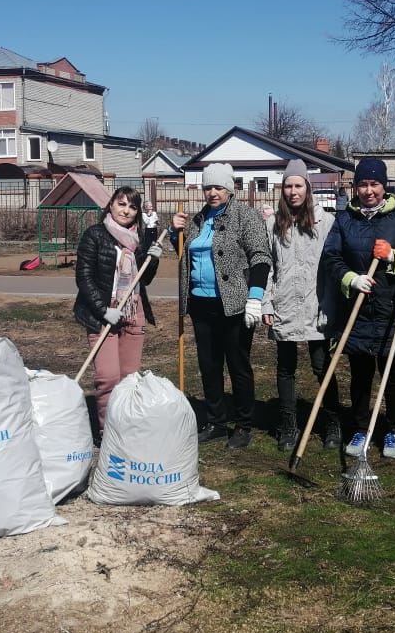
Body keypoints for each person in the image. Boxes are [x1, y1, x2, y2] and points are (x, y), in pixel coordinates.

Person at [321, 157, 395, 458]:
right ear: (355, 187)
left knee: (392, 376)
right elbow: (331, 257)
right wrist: (351, 279)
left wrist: (394, 256)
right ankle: (361, 430)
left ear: (384, 186)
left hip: (393, 311)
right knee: (360, 377)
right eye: (362, 184)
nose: (368, 190)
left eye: (374, 184)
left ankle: (392, 431)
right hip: (358, 313)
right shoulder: (345, 219)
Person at [171, 163, 271, 449]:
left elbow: (261, 257)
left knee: (238, 365)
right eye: (208, 187)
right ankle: (216, 421)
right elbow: (181, 250)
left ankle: (243, 424)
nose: (212, 193)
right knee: (209, 365)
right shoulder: (198, 219)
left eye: (218, 187)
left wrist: (255, 296)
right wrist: (172, 230)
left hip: (234, 305)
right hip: (200, 304)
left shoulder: (246, 217)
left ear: (230, 188)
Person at [262, 159, 342, 451]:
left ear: (307, 188)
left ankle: (333, 423)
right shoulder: (273, 223)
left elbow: (334, 265)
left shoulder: (326, 221)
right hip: (284, 306)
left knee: (322, 366)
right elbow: (267, 266)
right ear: (282, 189)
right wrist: (266, 304)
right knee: (286, 368)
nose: (293, 191)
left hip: (317, 306)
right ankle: (288, 425)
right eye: (288, 186)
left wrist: (332, 304)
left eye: (298, 185)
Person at [74, 186, 162, 438]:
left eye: (132, 207)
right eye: (122, 204)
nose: (127, 210)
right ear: (111, 205)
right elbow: (84, 277)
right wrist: (104, 310)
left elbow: (144, 280)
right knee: (108, 378)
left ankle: (126, 430)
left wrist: (153, 258)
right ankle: (107, 431)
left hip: (133, 313)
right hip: (102, 316)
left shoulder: (139, 240)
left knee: (129, 379)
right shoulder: (95, 235)